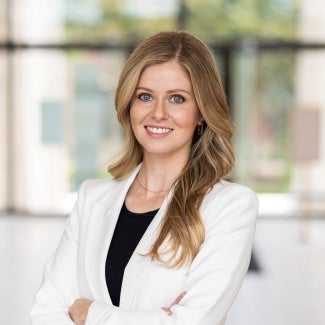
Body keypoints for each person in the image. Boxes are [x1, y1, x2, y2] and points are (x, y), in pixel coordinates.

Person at [30, 31, 258, 325]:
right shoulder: (93, 197)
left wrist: (92, 313)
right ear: (129, 104)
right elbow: (46, 310)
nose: (158, 113)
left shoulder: (230, 206)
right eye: (145, 96)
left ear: (201, 112)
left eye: (177, 98)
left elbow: (193, 321)